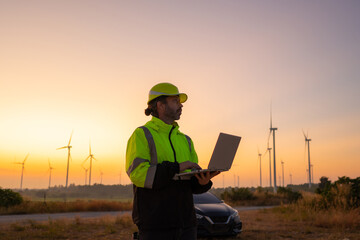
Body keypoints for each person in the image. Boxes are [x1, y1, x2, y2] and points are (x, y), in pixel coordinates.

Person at [126, 82, 219, 240]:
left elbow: (190, 184)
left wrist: (203, 182)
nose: (181, 105)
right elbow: (138, 174)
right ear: (160, 105)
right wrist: (177, 167)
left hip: (187, 225)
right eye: (175, 101)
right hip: (155, 226)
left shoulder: (186, 141)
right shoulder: (142, 135)